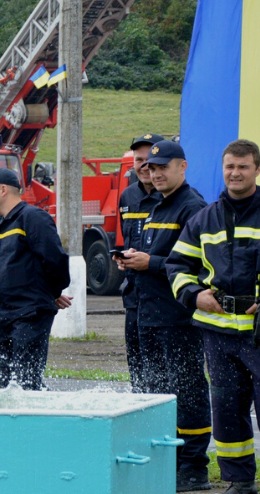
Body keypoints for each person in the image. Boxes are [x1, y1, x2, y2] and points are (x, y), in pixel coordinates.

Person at [167, 139, 260, 494]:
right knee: (225, 408)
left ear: (256, 169)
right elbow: (177, 266)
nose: (235, 173)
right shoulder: (204, 218)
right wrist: (194, 295)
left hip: (257, 332)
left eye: (243, 167)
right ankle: (240, 483)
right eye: (229, 167)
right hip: (218, 333)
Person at [119, 140, 211, 492]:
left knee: (187, 390)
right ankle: (167, 458)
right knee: (155, 390)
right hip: (147, 311)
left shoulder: (193, 208)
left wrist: (149, 263)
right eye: (152, 168)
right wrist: (131, 260)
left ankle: (194, 466)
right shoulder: (157, 205)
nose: (155, 173)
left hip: (177, 316)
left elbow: (198, 267)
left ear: (182, 167)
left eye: (163, 167)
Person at [0, 168, 71, 390]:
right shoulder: (4, 225)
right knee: (9, 385)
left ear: (3, 189)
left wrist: (53, 292)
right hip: (5, 314)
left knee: (26, 383)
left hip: (29, 313)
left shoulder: (32, 217)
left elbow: (55, 260)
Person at [116, 133, 164, 393]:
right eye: (139, 160)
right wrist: (123, 259)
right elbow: (128, 240)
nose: (145, 166)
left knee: (163, 373)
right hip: (134, 297)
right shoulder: (127, 197)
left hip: (164, 300)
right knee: (137, 369)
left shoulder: (175, 198)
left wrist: (150, 262)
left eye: (151, 160)